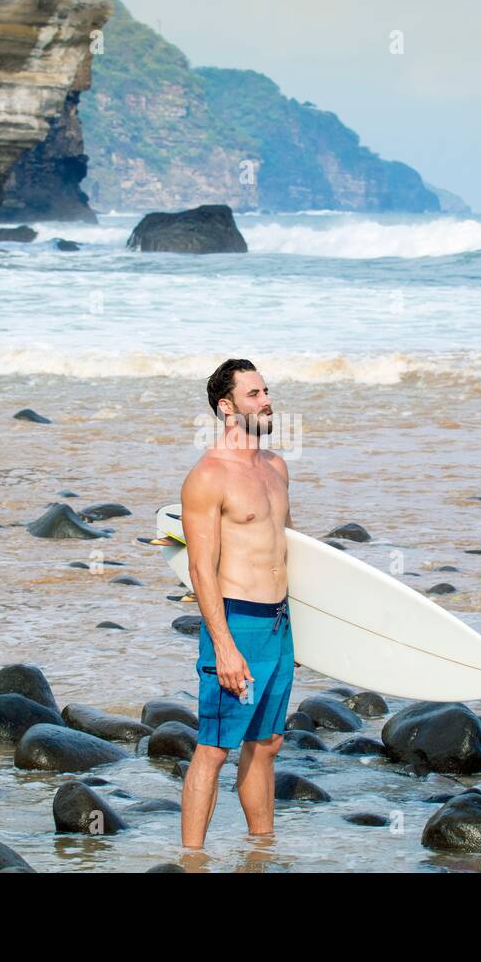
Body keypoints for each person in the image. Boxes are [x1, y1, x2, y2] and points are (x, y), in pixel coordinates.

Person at [179, 358, 295, 850]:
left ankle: (261, 848)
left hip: (279, 622)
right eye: (254, 394)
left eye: (266, 391)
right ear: (226, 406)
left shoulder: (275, 467)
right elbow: (201, 570)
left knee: (267, 743)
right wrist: (224, 647)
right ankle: (191, 859)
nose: (266, 400)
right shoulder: (208, 476)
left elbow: (285, 549)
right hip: (237, 623)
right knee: (214, 748)